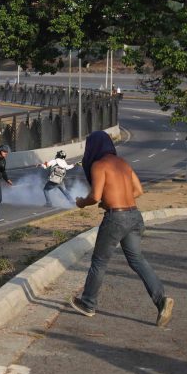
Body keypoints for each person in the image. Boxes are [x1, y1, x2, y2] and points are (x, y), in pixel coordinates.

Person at [69, 131, 174, 327]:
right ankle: (161, 300)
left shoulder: (98, 165)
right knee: (137, 260)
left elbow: (95, 196)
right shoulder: (123, 163)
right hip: (134, 215)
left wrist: (81, 203)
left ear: (93, 147)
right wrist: (114, 199)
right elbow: (138, 191)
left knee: (99, 261)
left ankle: (88, 303)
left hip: (116, 218)